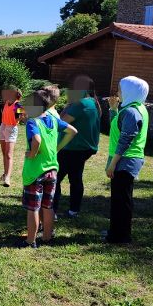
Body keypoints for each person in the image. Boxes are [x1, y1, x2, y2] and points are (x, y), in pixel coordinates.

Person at [18, 90, 78, 248]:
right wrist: (58, 148)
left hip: (36, 172)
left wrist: (32, 153)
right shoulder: (53, 118)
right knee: (48, 206)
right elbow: (73, 131)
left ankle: (30, 241)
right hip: (52, 169)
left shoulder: (33, 122)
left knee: (33, 209)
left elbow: (36, 140)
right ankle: (47, 237)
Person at [104, 76, 149, 244]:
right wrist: (113, 109)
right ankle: (116, 232)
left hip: (125, 161)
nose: (117, 92)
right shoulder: (135, 108)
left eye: (121, 89)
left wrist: (113, 164)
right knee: (121, 199)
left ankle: (120, 236)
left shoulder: (131, 111)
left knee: (121, 201)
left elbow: (126, 138)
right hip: (127, 160)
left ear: (131, 92)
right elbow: (117, 128)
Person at [53, 75, 101, 219]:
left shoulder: (80, 104)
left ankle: (51, 210)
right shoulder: (93, 102)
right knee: (75, 178)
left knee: (55, 177)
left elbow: (60, 122)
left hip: (72, 148)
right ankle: (74, 210)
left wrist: (68, 105)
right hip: (84, 148)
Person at [0, 86, 23, 187]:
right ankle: (5, 174)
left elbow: (20, 117)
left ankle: (8, 178)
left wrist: (17, 117)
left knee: (9, 154)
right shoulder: (6, 103)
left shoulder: (18, 105)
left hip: (11, 128)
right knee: (4, 153)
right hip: (3, 126)